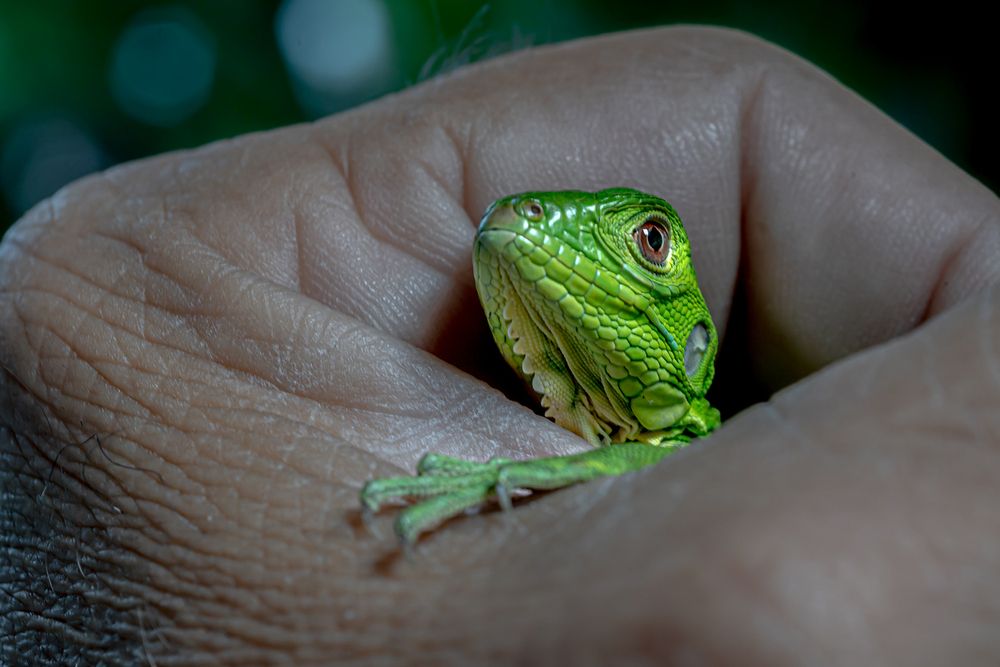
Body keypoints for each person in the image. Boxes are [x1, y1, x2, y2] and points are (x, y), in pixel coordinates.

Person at [1, 27, 997, 664]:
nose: (530, 224)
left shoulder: (705, 441)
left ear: (698, 347)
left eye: (648, 243)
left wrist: (480, 483)